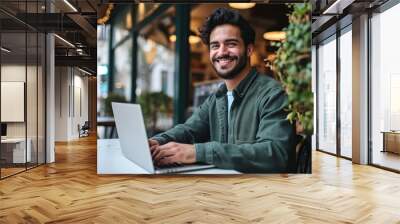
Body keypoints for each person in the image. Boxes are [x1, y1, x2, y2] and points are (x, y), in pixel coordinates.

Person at [149, 7, 297, 173]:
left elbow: (275, 154)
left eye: (231, 44)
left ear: (249, 49)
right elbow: (188, 130)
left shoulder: (272, 94)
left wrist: (198, 152)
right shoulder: (217, 98)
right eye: (215, 46)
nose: (221, 52)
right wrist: (157, 142)